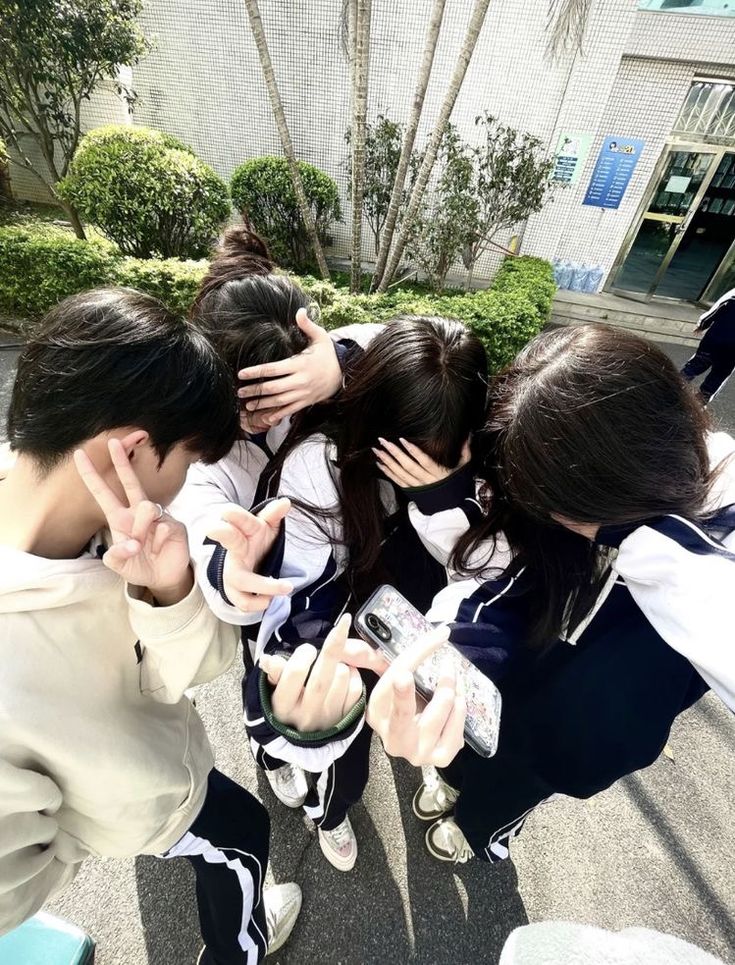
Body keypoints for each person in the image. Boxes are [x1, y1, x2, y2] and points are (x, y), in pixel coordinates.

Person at [0, 289, 310, 964]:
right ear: (134, 450)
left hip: (154, 772)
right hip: (154, 800)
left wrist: (166, 591)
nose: (188, 482)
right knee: (242, 837)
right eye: (191, 462)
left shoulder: (105, 527)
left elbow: (190, 669)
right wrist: (100, 821)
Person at [371, 323, 734, 864]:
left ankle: (487, 834)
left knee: (515, 787)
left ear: (604, 489)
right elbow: (509, 576)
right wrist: (451, 654)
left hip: (583, 730)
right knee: (471, 742)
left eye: (552, 502)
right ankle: (456, 788)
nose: (546, 516)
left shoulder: (705, 563)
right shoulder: (611, 472)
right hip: (514, 677)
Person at [222, 316, 488, 872]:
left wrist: (446, 496)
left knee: (360, 752)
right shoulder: (320, 466)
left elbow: (445, 331)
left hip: (405, 628)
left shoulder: (476, 459)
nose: (422, 472)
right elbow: (295, 603)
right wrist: (315, 670)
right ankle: (326, 810)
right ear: (374, 434)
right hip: (336, 631)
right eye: (407, 459)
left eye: (445, 457)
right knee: (334, 752)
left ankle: (326, 800)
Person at [682, 286, 735, 404]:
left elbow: (718, 308)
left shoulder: (734, 293)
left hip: (715, 339)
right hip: (732, 351)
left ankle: (672, 389)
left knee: (693, 366)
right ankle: (699, 404)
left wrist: (702, 324)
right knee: (719, 375)